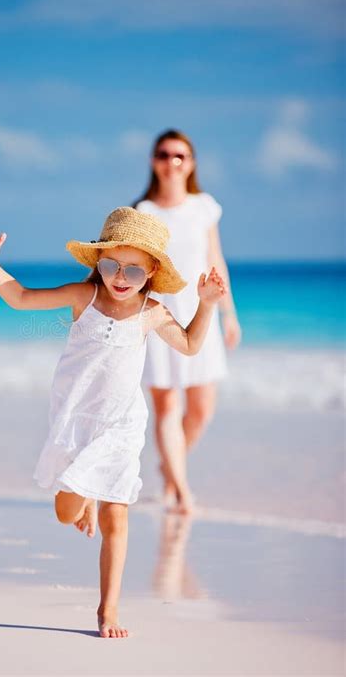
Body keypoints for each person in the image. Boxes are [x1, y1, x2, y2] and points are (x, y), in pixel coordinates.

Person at [0, 206, 227, 638]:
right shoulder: (84, 297)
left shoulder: (153, 311)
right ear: (100, 262)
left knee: (119, 517)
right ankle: (83, 497)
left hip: (122, 426)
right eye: (112, 264)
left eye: (133, 268)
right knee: (64, 511)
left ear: (151, 271)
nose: (121, 276)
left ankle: (107, 611)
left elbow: (188, 345)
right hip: (76, 421)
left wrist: (206, 306)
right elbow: (21, 298)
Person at [134, 130, 242, 514]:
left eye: (180, 155)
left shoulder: (204, 207)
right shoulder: (144, 212)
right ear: (153, 161)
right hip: (159, 313)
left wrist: (229, 313)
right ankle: (181, 491)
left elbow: (216, 259)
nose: (172, 162)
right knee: (166, 407)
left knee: (200, 410)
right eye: (164, 154)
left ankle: (169, 469)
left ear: (191, 162)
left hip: (202, 311)